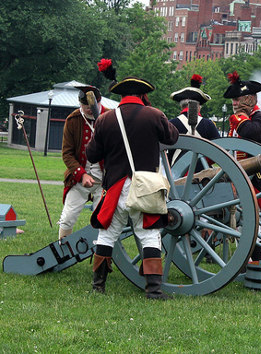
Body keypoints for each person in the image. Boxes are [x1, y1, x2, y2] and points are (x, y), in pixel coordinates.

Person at [86, 58, 179, 299]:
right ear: (142, 95)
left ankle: (98, 287)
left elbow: (92, 154)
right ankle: (154, 290)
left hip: (116, 187)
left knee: (107, 234)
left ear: (121, 96)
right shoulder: (154, 114)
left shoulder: (105, 119)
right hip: (145, 187)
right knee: (149, 234)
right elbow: (172, 137)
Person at [224, 70, 261, 262]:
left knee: (255, 223)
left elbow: (248, 132)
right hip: (239, 178)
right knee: (241, 223)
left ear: (249, 99)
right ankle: (245, 260)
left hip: (259, 180)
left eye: (238, 100)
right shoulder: (238, 120)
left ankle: (256, 259)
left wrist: (239, 118)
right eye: (233, 100)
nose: (234, 104)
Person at [57, 85, 107, 241]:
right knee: (67, 218)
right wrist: (82, 174)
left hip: (106, 179)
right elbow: (67, 154)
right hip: (79, 177)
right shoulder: (73, 120)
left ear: (100, 103)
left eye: (93, 106)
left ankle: (101, 254)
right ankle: (62, 251)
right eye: (86, 107)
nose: (90, 110)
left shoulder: (110, 117)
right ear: (80, 105)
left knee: (104, 220)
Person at [168, 74, 220, 165]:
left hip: (175, 174)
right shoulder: (208, 125)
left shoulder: (171, 124)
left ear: (182, 105)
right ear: (198, 106)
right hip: (202, 173)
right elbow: (219, 153)